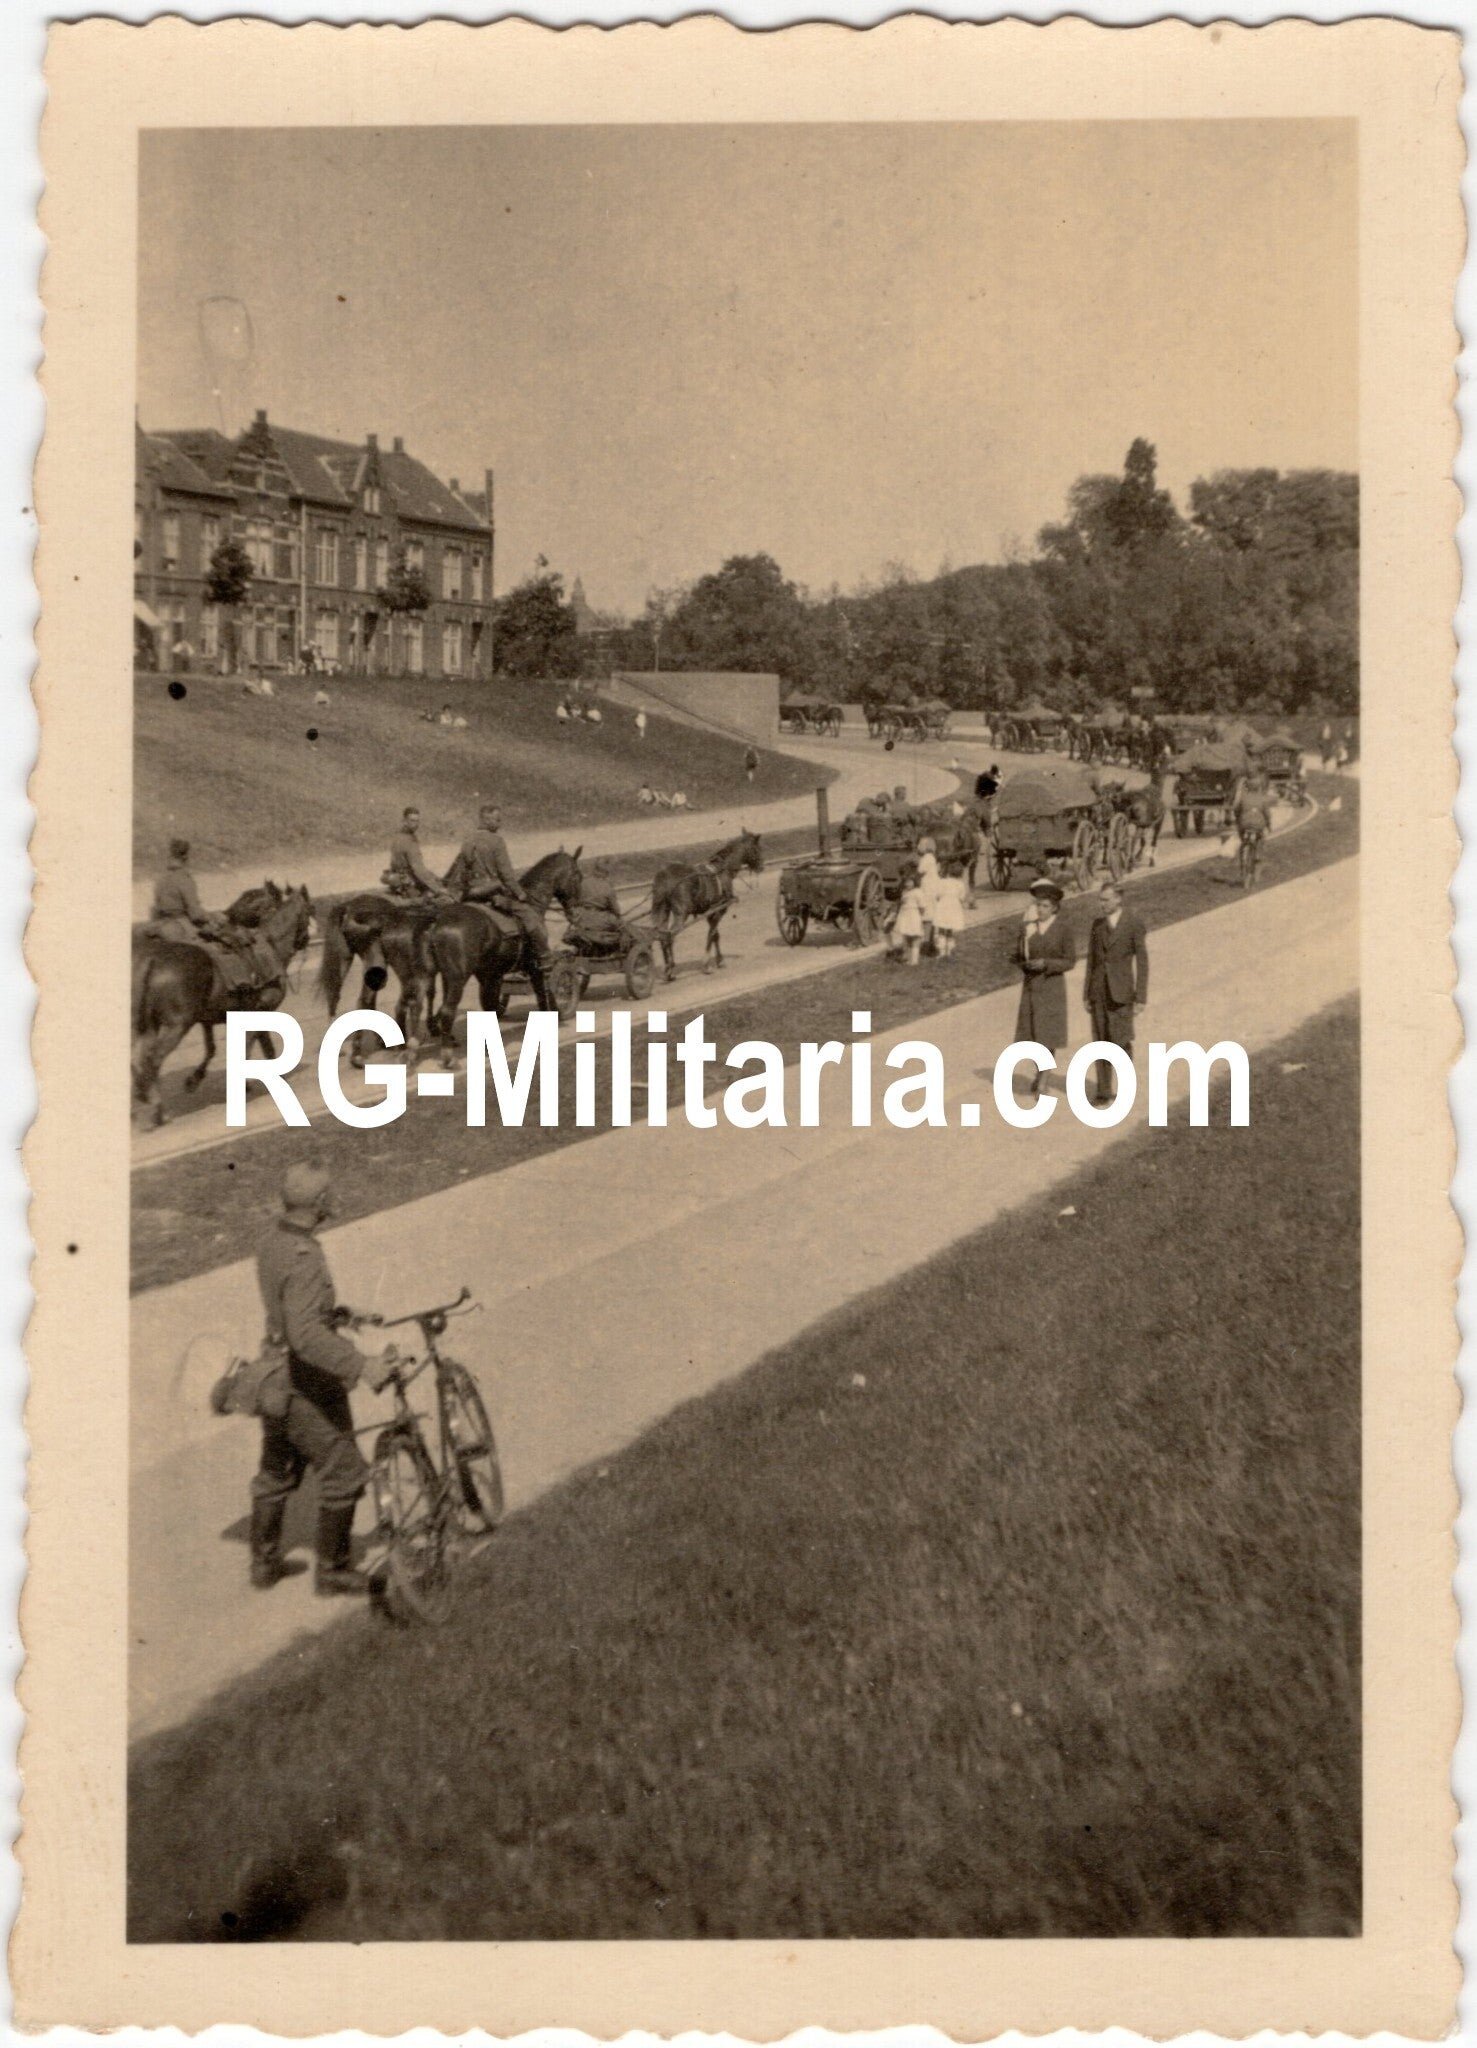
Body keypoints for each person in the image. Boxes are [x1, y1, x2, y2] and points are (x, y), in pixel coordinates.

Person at [249, 1164, 400, 1596]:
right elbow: (306, 1335)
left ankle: (264, 1564)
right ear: (318, 1204)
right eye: (330, 1195)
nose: (335, 1200)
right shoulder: (305, 1258)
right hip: (304, 1383)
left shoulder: (274, 1243)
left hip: (273, 1375)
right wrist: (362, 1365)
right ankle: (332, 1571)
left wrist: (341, 1314)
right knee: (344, 1471)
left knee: (277, 1469)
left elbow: (293, 1311)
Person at [447, 801, 552, 969]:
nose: (500, 824)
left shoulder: (467, 841)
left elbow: (461, 869)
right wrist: (520, 893)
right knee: (529, 915)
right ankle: (544, 956)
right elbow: (507, 875)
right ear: (487, 820)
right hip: (491, 893)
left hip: (471, 893)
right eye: (497, 820)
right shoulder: (496, 841)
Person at [1083, 881, 1149, 1104]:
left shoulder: (1133, 923)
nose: (1102, 904)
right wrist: (1087, 994)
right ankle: (1103, 1092)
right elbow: (1091, 961)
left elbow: (1142, 961)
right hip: (1098, 991)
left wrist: (1140, 996)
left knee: (1120, 1040)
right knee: (1100, 1041)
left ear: (1118, 898)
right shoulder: (1097, 925)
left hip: (1121, 992)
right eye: (1100, 899)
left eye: (1106, 899)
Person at [1013, 878, 1075, 1095]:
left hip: (1052, 986)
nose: (1040, 909)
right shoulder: (1028, 928)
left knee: (1048, 1035)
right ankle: (1040, 1074)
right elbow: (1017, 957)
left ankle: (1043, 1080)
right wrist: (1024, 956)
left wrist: (1047, 964)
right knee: (1032, 1036)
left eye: (1045, 906)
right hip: (1031, 987)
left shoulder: (1063, 929)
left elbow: (1070, 961)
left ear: (1055, 907)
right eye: (1038, 905)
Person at [148, 837, 215, 944]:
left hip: (158, 925)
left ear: (170, 857)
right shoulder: (184, 879)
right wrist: (210, 918)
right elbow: (195, 915)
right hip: (180, 927)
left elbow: (156, 907)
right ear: (186, 858)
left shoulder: (161, 878)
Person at [383, 805, 446, 901]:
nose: (416, 824)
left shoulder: (398, 836)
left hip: (399, 878)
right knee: (437, 896)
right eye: (412, 820)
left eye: (417, 821)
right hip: (408, 882)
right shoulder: (409, 840)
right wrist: (438, 889)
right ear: (404, 821)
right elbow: (418, 868)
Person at [890, 872, 927, 966]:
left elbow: (922, 906)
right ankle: (906, 957)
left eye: (910, 882)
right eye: (906, 882)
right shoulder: (904, 892)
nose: (908, 884)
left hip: (914, 916)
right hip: (905, 916)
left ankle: (914, 960)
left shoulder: (918, 892)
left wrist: (920, 915)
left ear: (915, 882)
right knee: (906, 937)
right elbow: (901, 904)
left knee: (916, 937)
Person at [932, 860, 967, 959]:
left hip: (943, 906)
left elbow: (937, 895)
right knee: (950, 930)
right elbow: (962, 898)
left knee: (941, 930)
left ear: (949, 872)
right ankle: (949, 951)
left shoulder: (942, 882)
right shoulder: (960, 884)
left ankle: (941, 951)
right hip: (954, 907)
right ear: (961, 874)